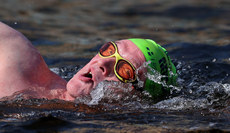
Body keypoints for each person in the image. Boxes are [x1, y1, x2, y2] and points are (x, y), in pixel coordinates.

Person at [0, 21, 177, 101]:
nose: (102, 63)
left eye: (124, 69)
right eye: (109, 50)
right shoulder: (15, 56)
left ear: (138, 97)